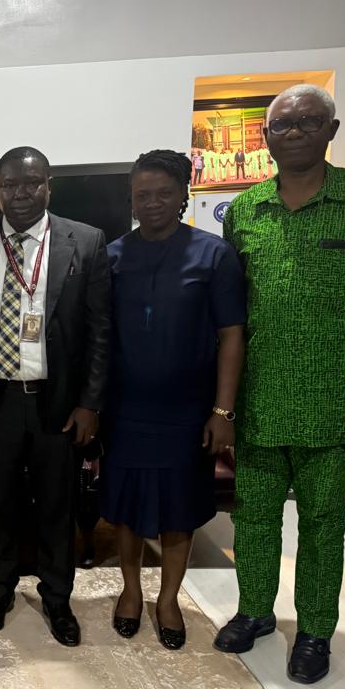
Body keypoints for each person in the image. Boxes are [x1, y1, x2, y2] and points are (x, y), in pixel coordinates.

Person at [215, 84, 345, 684]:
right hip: (258, 397)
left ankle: (316, 630)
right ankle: (255, 611)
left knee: (324, 521)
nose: (295, 131)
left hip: (335, 399)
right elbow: (230, 313)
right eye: (282, 124)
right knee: (253, 516)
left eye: (308, 120)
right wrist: (225, 403)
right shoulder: (245, 209)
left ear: (332, 131)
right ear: (266, 137)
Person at [0, 147, 110, 647]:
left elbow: (100, 330)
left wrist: (89, 403)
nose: (20, 194)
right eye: (9, 185)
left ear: (49, 185)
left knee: (56, 506)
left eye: (31, 183)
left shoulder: (85, 241)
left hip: (59, 402)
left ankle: (57, 598)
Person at [102, 150, 245, 650]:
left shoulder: (213, 255)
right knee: (126, 508)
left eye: (164, 193)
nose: (153, 202)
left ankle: (168, 600)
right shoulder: (112, 256)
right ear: (131, 199)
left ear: (184, 195)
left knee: (179, 509)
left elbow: (231, 334)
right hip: (125, 410)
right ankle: (130, 592)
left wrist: (222, 411)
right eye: (142, 195)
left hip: (187, 411)